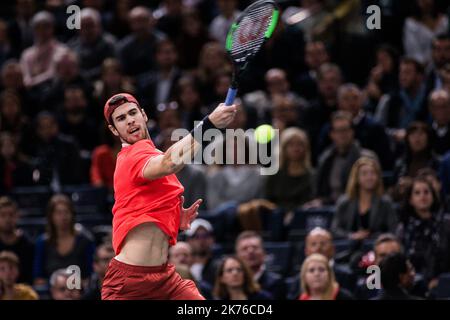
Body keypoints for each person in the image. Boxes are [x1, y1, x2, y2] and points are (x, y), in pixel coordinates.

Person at [100, 92, 236, 300]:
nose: (129, 121)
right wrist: (209, 124)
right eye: (121, 118)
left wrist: (172, 217)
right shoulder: (131, 157)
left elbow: (148, 198)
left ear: (143, 115)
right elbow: (169, 163)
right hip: (129, 285)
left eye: (132, 113)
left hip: (164, 279)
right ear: (113, 129)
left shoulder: (151, 154)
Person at [397, 176, 450, 288]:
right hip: (411, 283)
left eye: (426, 192)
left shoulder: (446, 224)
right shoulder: (404, 228)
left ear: (433, 196)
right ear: (410, 200)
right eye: (417, 193)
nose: (423, 196)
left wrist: (440, 280)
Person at [33, 194, 96, 286]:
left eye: (66, 212)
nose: (63, 217)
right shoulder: (42, 243)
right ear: (51, 216)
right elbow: (38, 279)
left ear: (72, 215)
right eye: (58, 213)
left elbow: (91, 275)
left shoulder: (85, 241)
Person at [331, 157, 397, 240]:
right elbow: (334, 230)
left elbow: (393, 229)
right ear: (356, 177)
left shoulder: (385, 202)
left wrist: (376, 237)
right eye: (364, 173)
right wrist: (352, 236)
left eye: (373, 173)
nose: (369, 177)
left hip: (377, 247)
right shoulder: (344, 202)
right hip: (349, 248)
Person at [265, 127, 315, 211]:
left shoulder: (313, 176)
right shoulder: (274, 175)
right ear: (283, 148)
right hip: (277, 218)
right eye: (291, 144)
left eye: (300, 144)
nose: (296, 148)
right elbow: (268, 201)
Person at [235, 231, 286, 300]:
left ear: (264, 253)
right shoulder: (232, 283)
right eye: (244, 248)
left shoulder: (276, 283)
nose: (250, 251)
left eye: (255, 247)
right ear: (237, 255)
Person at [0, 196, 34, 284]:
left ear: (17, 216)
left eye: (11, 215)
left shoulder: (27, 244)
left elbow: (30, 276)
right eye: (3, 215)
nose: (7, 219)